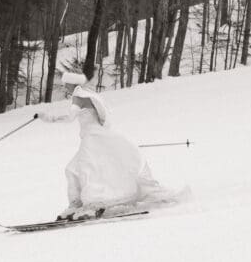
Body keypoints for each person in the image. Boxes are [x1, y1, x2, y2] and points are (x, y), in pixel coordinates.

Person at [39, 82, 172, 221]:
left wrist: (47, 117)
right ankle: (76, 204)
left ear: (72, 83)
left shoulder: (78, 96)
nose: (65, 87)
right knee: (72, 169)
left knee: (87, 169)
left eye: (66, 84)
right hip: (95, 136)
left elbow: (69, 117)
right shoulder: (89, 96)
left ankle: (93, 204)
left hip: (91, 138)